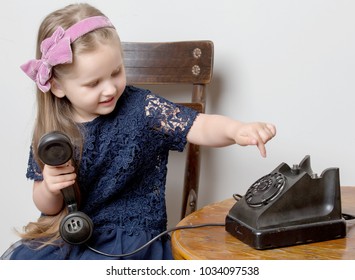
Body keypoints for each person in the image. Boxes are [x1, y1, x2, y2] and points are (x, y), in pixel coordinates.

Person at [2, 3, 276, 260]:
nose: (109, 89)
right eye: (93, 83)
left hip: (131, 239)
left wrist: (236, 130)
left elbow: (198, 125)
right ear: (59, 87)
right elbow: (47, 206)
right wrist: (50, 186)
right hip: (71, 234)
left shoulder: (143, 108)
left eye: (116, 72)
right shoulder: (54, 130)